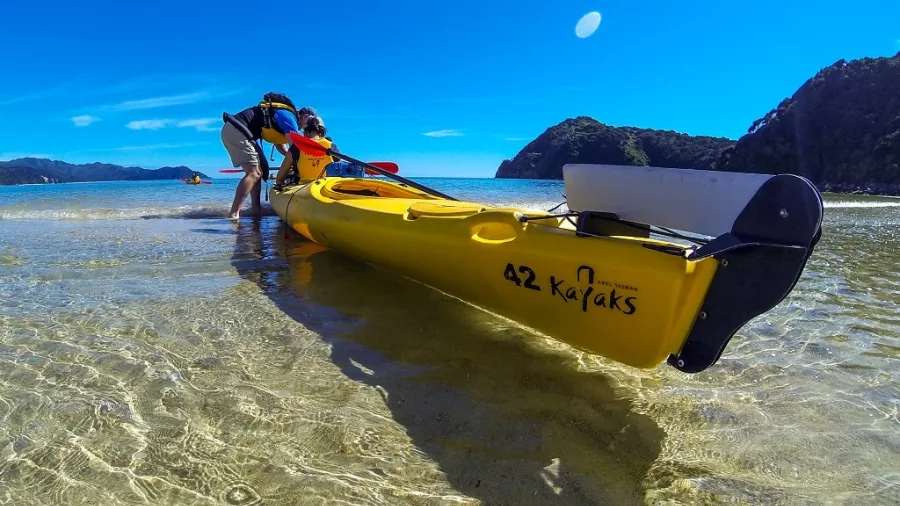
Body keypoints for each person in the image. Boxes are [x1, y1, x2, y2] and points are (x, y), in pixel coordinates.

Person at [220, 92, 317, 219]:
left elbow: (281, 146)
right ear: (305, 116)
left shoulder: (284, 116)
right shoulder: (289, 117)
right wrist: (300, 165)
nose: (306, 129)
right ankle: (233, 214)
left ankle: (256, 211)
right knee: (253, 173)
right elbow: (296, 149)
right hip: (237, 130)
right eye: (308, 124)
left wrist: (289, 160)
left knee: (258, 173)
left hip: (235, 130)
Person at [273, 116, 334, 188]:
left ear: (305, 131)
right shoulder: (331, 146)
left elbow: (280, 178)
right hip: (326, 188)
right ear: (321, 132)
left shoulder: (296, 148)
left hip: (303, 189)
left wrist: (280, 185)